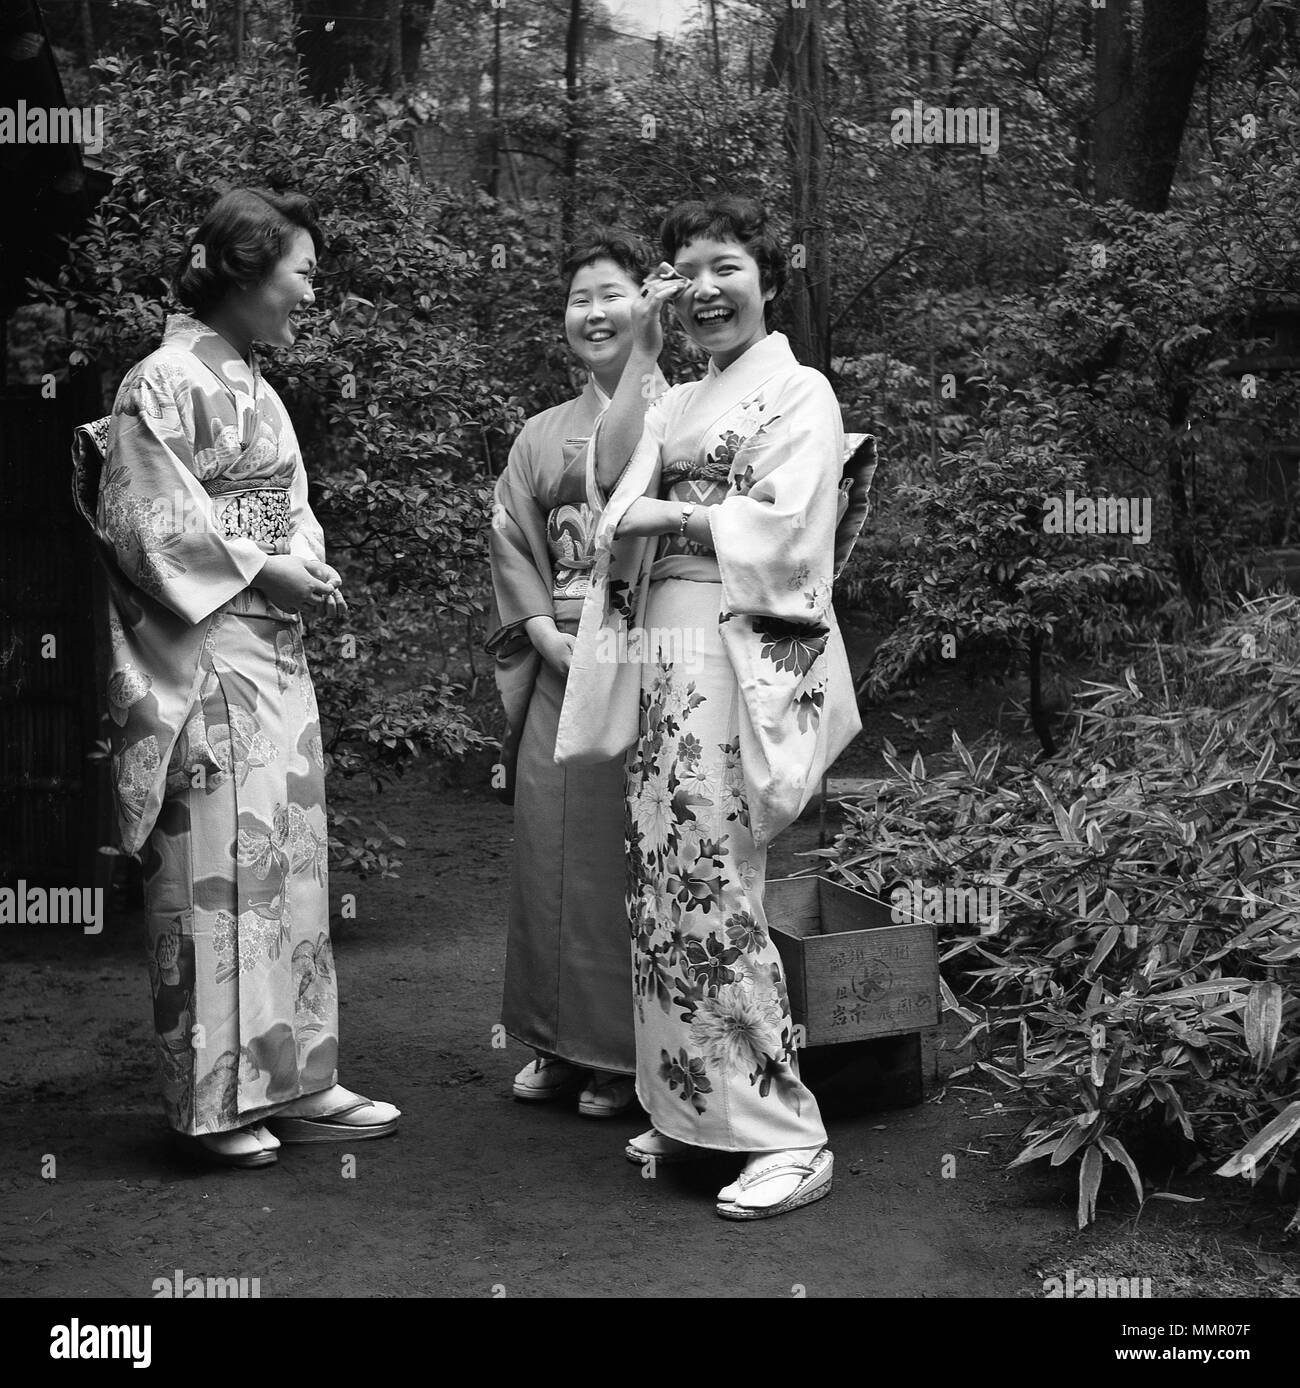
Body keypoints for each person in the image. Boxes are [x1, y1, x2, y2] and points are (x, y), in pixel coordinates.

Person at [72, 188, 399, 1168]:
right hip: (206, 655)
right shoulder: (160, 381)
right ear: (247, 271)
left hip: (272, 659)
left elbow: (288, 502)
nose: (310, 291)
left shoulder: (251, 383)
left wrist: (304, 562)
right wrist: (264, 567)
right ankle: (215, 1098)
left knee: (288, 865)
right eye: (300, 272)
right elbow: (150, 524)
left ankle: (298, 1074)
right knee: (216, 873)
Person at [555, 197, 861, 1219]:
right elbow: (605, 478)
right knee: (662, 874)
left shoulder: (799, 390)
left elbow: (789, 528)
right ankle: (693, 1103)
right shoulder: (681, 393)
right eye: (682, 271)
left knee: (719, 876)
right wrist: (639, 344)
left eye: (723, 264)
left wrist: (675, 511)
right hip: (666, 649)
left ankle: (784, 1129)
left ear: (767, 278)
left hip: (734, 647)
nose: (703, 288)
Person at [486, 229, 666, 1117]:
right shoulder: (539, 435)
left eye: (612, 294)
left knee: (611, 859)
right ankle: (551, 1041)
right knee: (546, 854)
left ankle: (617, 1055)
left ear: (648, 303)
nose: (594, 313)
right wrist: (535, 627)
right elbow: (510, 535)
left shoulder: (680, 411)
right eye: (578, 299)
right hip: (559, 656)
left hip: (639, 658)